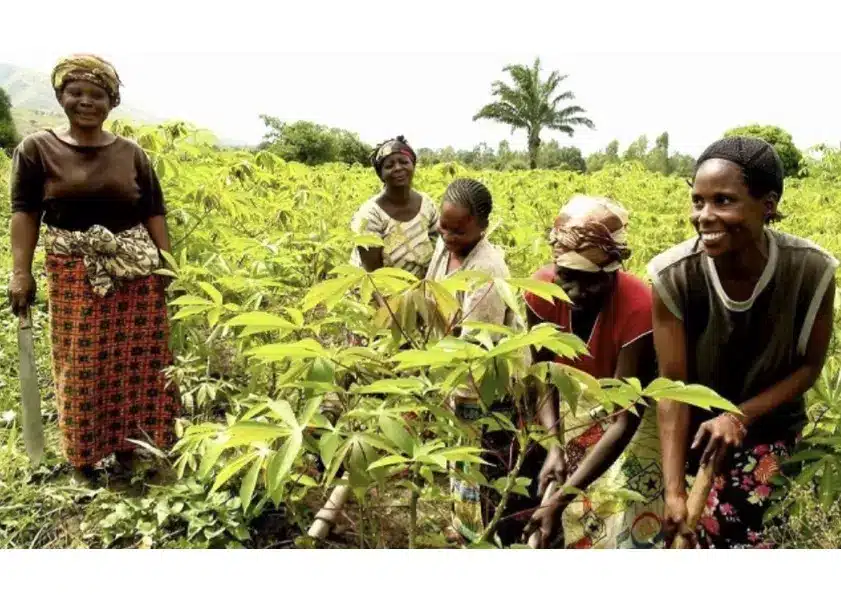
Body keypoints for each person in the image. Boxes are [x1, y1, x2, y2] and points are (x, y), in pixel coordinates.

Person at [648, 136, 837, 549]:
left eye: (724, 200)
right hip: (691, 434)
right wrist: (675, 491)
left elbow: (808, 367)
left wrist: (738, 417)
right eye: (698, 201)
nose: (705, 215)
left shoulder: (811, 271)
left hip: (770, 430)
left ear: (767, 205)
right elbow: (672, 390)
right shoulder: (673, 275)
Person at [7, 55, 180, 480]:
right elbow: (24, 212)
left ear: (111, 101)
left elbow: (153, 211)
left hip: (134, 271)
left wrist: (169, 269)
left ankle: (131, 448)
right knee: (81, 363)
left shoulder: (132, 153)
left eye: (97, 94)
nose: (86, 101)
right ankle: (84, 457)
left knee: (138, 362)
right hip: (74, 272)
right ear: (61, 97)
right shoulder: (36, 149)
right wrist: (20, 272)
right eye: (76, 92)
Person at [523, 195, 662, 549]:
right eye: (567, 278)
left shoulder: (639, 306)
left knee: (621, 508)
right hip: (572, 407)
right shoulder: (540, 292)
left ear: (613, 271)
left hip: (629, 418)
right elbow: (544, 376)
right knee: (566, 511)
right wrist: (554, 446)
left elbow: (624, 419)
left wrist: (560, 497)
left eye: (591, 280)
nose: (576, 292)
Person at [425, 178, 539, 546]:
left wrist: (450, 387)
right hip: (453, 370)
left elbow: (479, 343)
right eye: (444, 227)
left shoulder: (488, 267)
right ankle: (463, 525)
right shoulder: (444, 249)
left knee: (482, 459)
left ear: (482, 226)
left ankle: (483, 534)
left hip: (485, 381)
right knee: (461, 456)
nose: (449, 236)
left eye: (459, 230)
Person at [350, 136, 439, 278]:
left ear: (413, 165)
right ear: (381, 174)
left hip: (419, 288)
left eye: (404, 162)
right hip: (380, 291)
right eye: (389, 165)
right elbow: (372, 275)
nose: (398, 168)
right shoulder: (370, 215)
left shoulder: (427, 204)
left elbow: (440, 245)